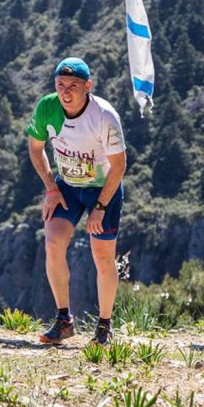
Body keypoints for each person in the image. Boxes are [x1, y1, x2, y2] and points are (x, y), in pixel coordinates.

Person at [26, 57, 127, 345]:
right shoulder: (47, 107)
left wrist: (100, 208)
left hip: (102, 188)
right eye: (60, 85)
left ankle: (104, 326)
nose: (66, 92)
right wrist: (51, 189)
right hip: (68, 186)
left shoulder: (104, 116)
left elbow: (119, 167)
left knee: (103, 257)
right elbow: (35, 149)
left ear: (88, 86)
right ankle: (64, 320)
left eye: (73, 86)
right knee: (53, 242)